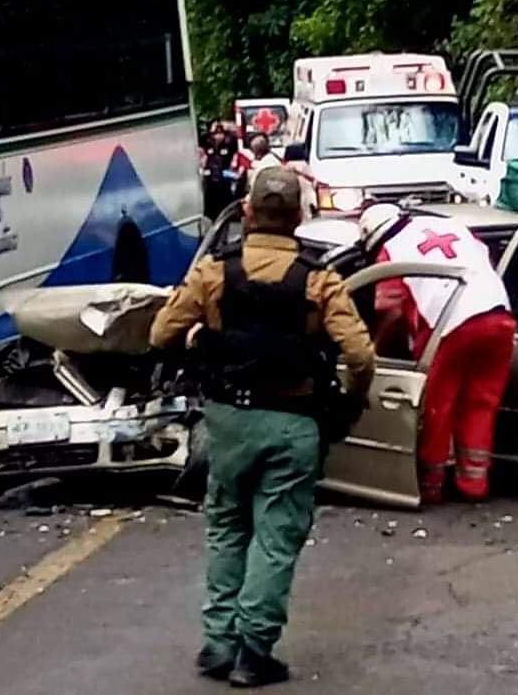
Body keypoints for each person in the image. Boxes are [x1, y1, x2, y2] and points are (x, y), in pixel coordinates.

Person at [149, 167, 376, 686]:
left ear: (248, 213)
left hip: (227, 421)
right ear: (298, 217)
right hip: (294, 421)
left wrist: (199, 345)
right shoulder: (318, 279)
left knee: (227, 526)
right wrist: (351, 400)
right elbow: (361, 355)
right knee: (276, 536)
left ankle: (217, 643)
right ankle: (254, 651)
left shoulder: (213, 272)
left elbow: (163, 332)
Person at [357, 203, 517, 504]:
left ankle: (431, 484)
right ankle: (474, 483)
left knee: (438, 406)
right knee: (481, 404)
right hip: (499, 315)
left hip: (452, 325)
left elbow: (388, 308)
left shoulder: (391, 249)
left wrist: (374, 347)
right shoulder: (455, 226)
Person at [203, 123, 238, 220]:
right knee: (210, 200)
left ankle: (226, 216)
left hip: (223, 177)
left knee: (224, 199)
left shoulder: (229, 145)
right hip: (211, 178)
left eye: (220, 134)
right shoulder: (208, 144)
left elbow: (236, 139)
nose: (218, 136)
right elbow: (206, 158)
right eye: (215, 134)